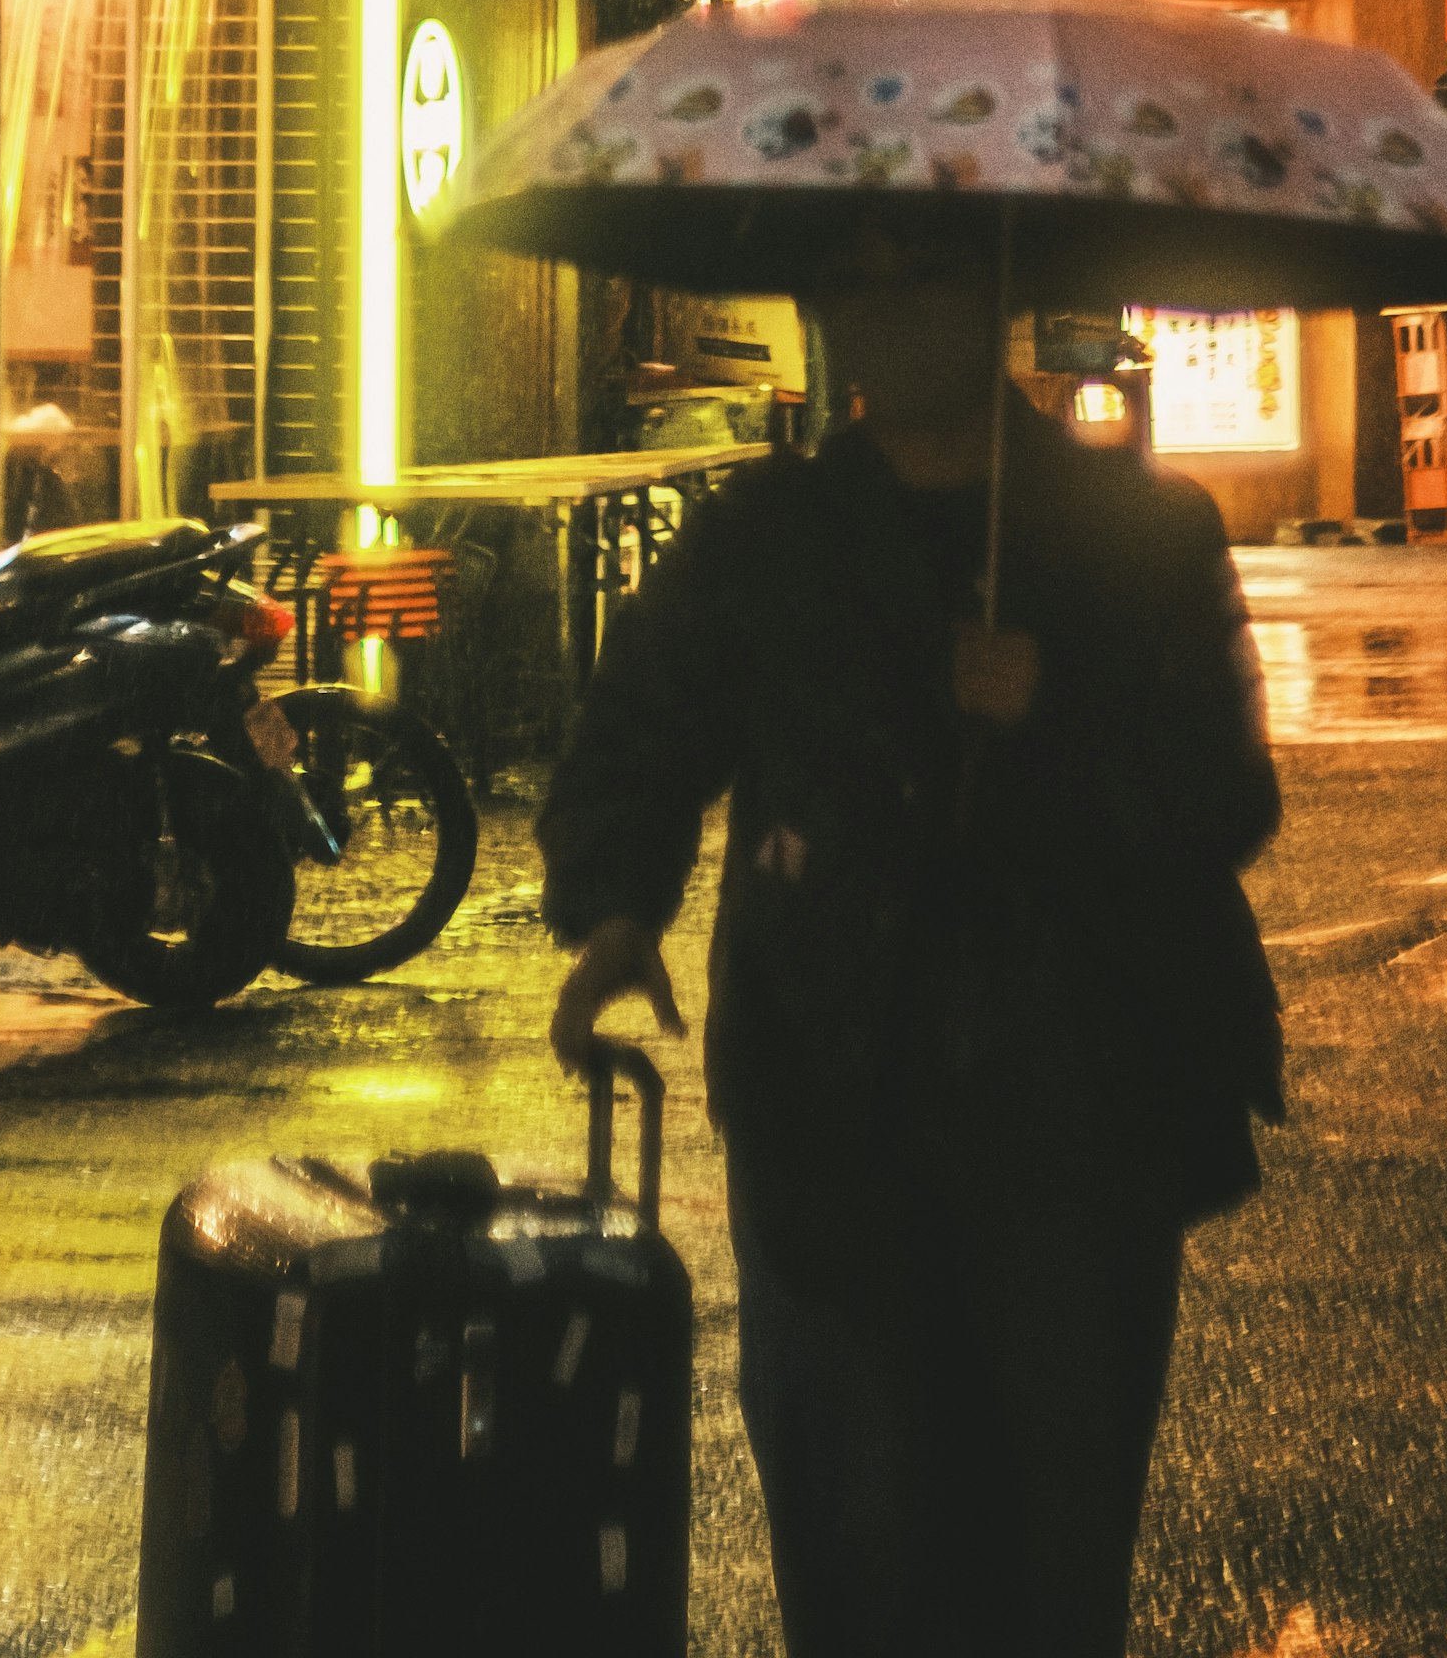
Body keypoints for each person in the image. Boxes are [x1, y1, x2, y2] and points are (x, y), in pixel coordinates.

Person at [539, 228, 1283, 1658]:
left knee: (1052, 1547)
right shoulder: (771, 537)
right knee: (857, 1530)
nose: (887, 318)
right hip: (832, 1100)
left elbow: (1226, 793)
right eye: (855, 286)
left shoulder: (1143, 532)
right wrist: (617, 906)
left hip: (1084, 1107)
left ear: (995, 298)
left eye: (924, 280)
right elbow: (644, 726)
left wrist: (1049, 716)